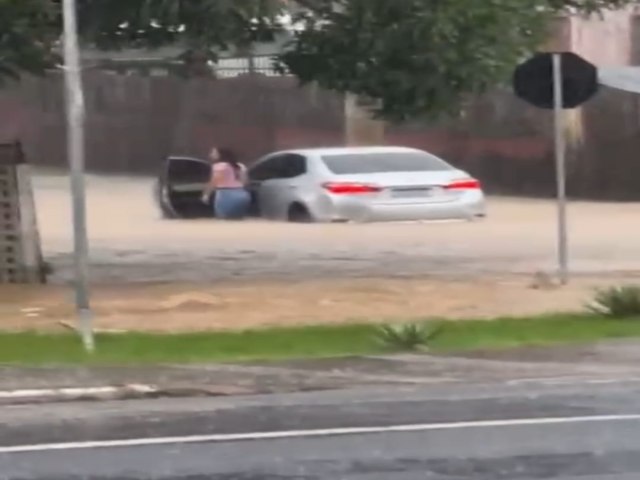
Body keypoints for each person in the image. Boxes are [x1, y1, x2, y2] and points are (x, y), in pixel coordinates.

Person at [201, 147, 251, 220]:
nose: (211, 155)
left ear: (220, 155)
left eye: (214, 153)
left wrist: (206, 195)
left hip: (225, 195)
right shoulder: (240, 166)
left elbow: (214, 181)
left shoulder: (218, 166)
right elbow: (245, 181)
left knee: (224, 220)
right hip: (242, 195)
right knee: (238, 220)